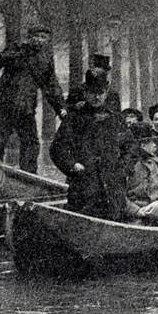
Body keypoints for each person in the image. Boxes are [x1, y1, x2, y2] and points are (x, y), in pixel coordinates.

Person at [0, 25, 65, 174]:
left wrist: (61, 108)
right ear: (30, 37)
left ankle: (28, 178)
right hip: (3, 106)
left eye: (44, 38)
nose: (40, 41)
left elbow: (51, 86)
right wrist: (20, 53)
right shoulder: (17, 48)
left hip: (25, 109)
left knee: (31, 144)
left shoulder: (45, 60)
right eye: (37, 37)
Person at [51, 71, 128, 220]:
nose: (96, 97)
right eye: (92, 92)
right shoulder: (74, 119)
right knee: (81, 223)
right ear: (85, 92)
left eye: (100, 92)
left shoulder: (116, 119)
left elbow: (130, 148)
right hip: (83, 185)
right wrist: (72, 165)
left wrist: (121, 168)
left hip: (112, 189)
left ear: (106, 93)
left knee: (114, 223)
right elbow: (56, 148)